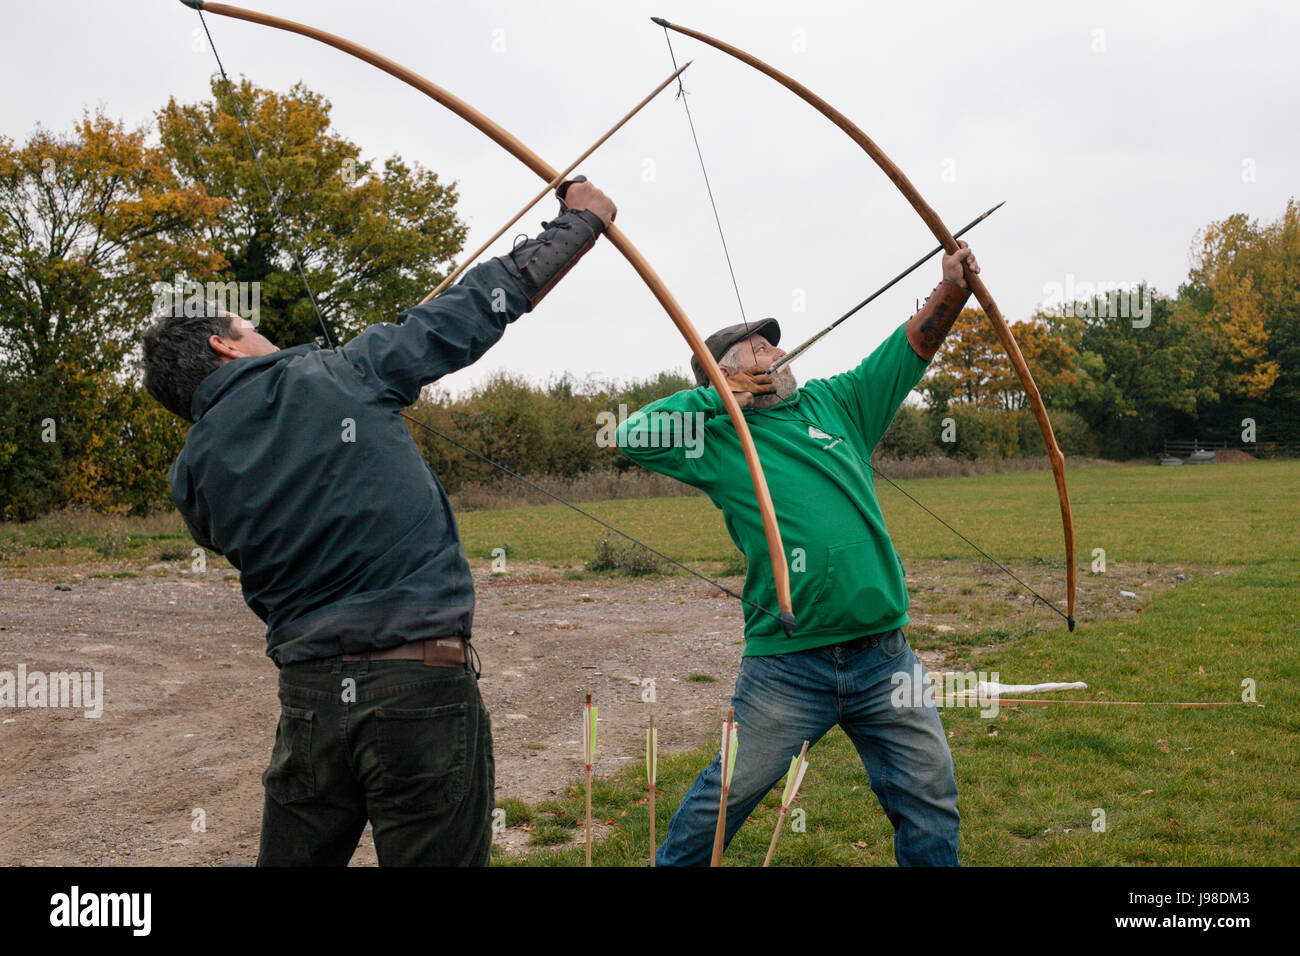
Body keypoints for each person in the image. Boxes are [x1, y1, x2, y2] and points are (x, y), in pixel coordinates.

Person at [141, 180, 617, 865]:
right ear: (223, 345)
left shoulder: (191, 473)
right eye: (250, 328)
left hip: (309, 697)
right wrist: (581, 223)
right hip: (416, 685)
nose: (266, 335)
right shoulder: (339, 375)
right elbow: (472, 309)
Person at [616, 242, 980, 866]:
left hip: (884, 656)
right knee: (724, 798)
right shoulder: (718, 441)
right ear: (726, 371)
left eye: (774, 345)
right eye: (758, 349)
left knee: (931, 798)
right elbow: (631, 435)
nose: (778, 352)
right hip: (788, 667)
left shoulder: (839, 404)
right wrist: (719, 397)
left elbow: (911, 347)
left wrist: (953, 290)